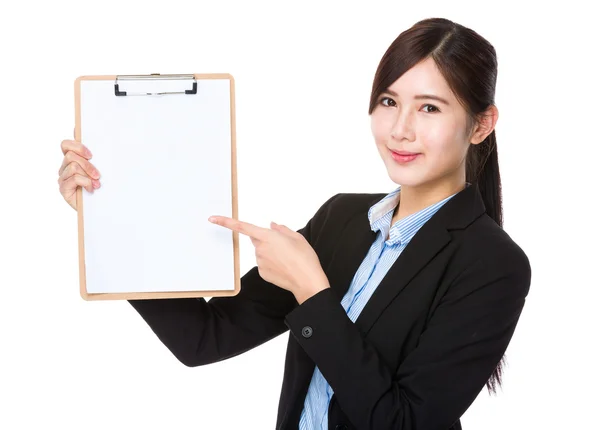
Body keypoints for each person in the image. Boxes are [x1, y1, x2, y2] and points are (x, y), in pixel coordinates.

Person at [57, 17, 531, 430]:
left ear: (481, 125)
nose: (400, 129)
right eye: (389, 101)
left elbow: (401, 421)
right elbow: (203, 337)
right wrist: (110, 216)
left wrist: (312, 292)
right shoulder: (342, 218)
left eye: (429, 107)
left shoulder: (493, 265)